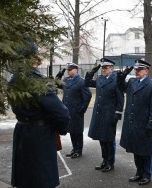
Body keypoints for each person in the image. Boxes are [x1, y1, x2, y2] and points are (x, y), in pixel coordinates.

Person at [10, 56, 70, 188]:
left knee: (24, 177)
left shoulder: (13, 79)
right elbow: (62, 113)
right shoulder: (37, 81)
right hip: (40, 134)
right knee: (42, 177)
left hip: (21, 130)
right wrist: (61, 129)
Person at [118, 59, 152, 186]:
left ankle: (147, 174)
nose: (137, 72)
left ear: (146, 71)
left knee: (146, 151)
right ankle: (139, 172)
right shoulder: (132, 82)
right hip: (132, 123)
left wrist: (151, 125)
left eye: (139, 70)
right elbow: (121, 87)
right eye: (136, 69)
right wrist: (122, 76)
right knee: (136, 149)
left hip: (144, 124)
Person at [84, 58, 124, 172]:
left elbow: (120, 99)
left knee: (109, 139)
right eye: (102, 68)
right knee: (101, 138)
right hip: (99, 113)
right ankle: (104, 160)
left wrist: (117, 114)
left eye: (105, 68)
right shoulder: (100, 79)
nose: (103, 70)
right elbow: (86, 83)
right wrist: (92, 72)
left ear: (111, 69)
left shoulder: (116, 80)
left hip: (109, 114)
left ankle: (110, 162)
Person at [58, 62, 92, 158]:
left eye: (70, 70)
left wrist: (82, 109)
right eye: (67, 70)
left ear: (75, 70)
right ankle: (74, 148)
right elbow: (57, 84)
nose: (68, 72)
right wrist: (60, 74)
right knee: (71, 130)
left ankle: (78, 150)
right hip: (68, 110)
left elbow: (88, 96)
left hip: (77, 110)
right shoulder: (66, 80)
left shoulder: (81, 81)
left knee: (77, 131)